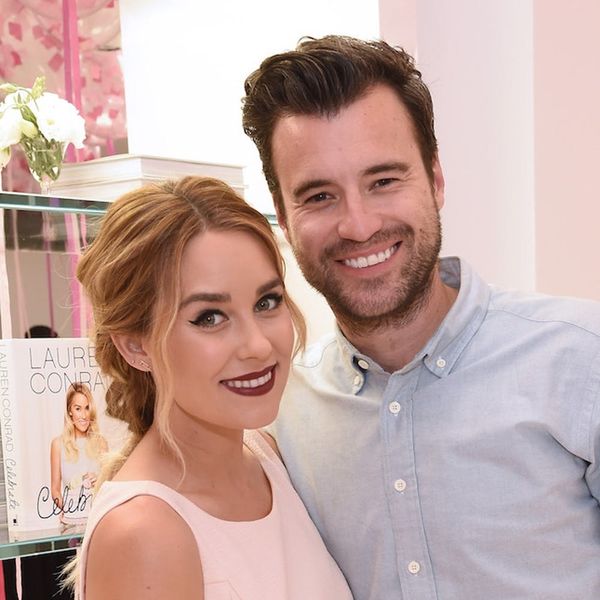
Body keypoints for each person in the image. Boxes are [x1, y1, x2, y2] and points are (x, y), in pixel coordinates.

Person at [242, 35, 600, 600]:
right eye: (319, 196)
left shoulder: (582, 360)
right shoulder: (281, 410)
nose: (359, 225)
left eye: (383, 181)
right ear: (283, 219)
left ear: (435, 180)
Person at [72, 176, 352, 599]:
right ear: (135, 345)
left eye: (267, 302)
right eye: (209, 317)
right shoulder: (143, 533)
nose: (258, 346)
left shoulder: (268, 459)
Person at [50, 381, 108, 528]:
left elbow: (109, 485)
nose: (83, 415)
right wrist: (68, 509)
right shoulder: (57, 444)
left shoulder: (101, 442)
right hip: (71, 523)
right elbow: (55, 489)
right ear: (70, 411)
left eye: (87, 408)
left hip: (98, 521)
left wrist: (99, 480)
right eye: (78, 409)